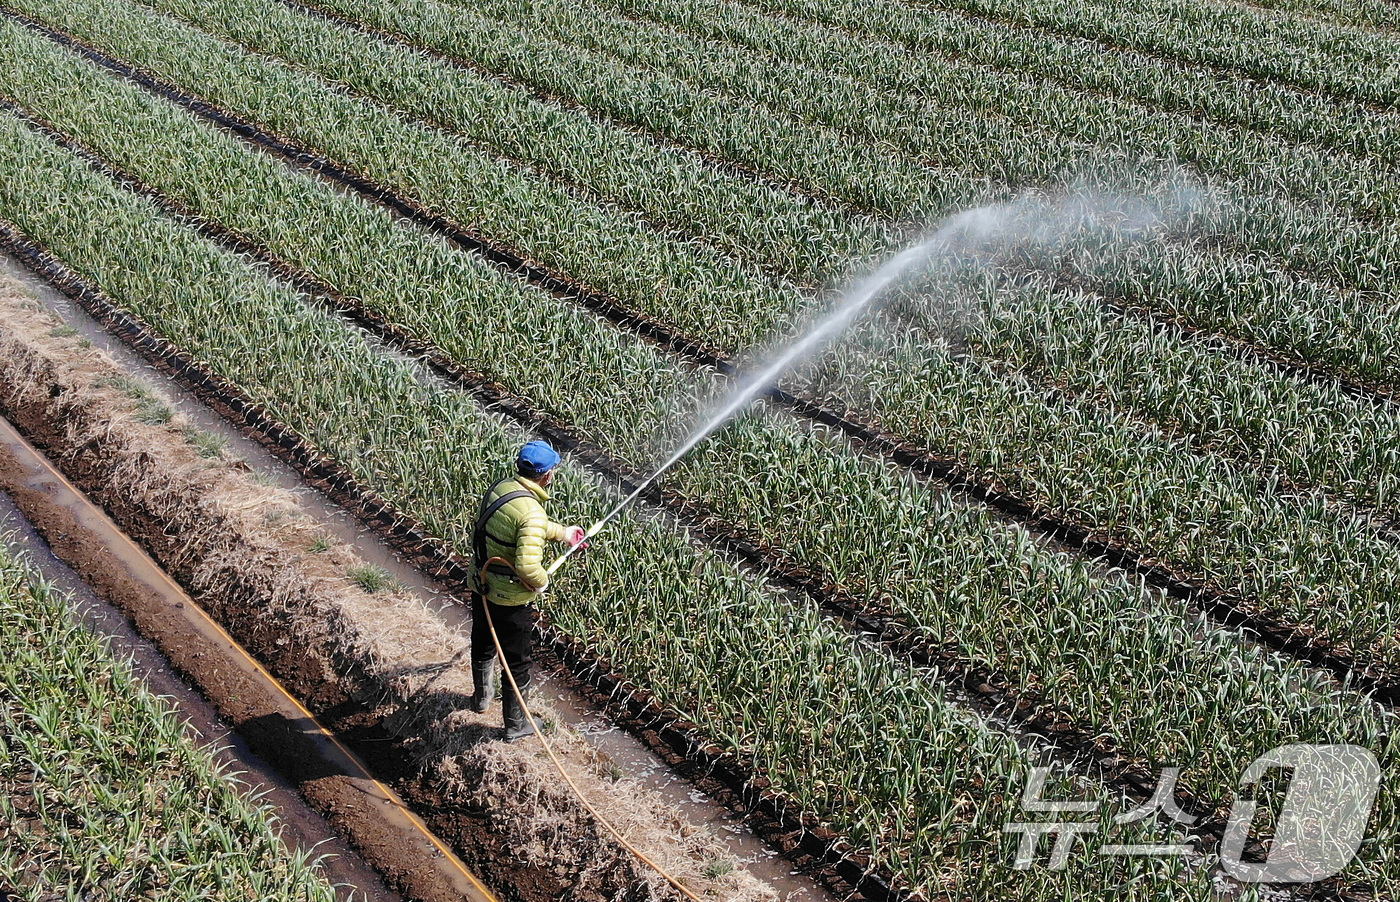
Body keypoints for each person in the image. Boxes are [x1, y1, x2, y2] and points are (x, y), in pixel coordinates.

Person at [469, 440, 586, 741]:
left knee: (483, 641)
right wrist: (542, 581)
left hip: (482, 584)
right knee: (517, 661)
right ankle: (515, 725)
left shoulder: (502, 488)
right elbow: (527, 564)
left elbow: (519, 525)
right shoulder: (532, 512)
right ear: (547, 476)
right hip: (509, 598)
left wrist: (563, 534)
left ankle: (481, 700)